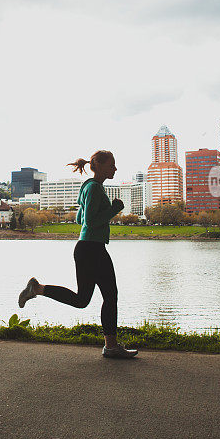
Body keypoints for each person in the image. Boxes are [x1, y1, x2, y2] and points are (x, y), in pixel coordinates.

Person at [18, 150, 138, 359]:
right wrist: (114, 209)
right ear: (99, 166)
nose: (115, 169)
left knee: (83, 299)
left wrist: (106, 210)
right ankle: (110, 346)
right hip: (92, 249)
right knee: (110, 296)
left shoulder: (90, 188)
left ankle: (37, 288)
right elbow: (90, 221)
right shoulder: (93, 188)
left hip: (87, 248)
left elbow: (80, 219)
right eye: (112, 165)